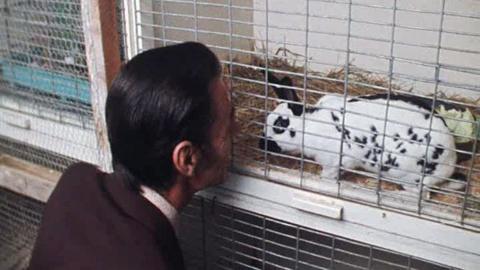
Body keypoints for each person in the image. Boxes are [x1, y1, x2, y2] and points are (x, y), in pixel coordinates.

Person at [28, 42, 236, 270]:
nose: (237, 130)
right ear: (187, 159)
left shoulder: (75, 181)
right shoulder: (147, 261)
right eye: (228, 125)